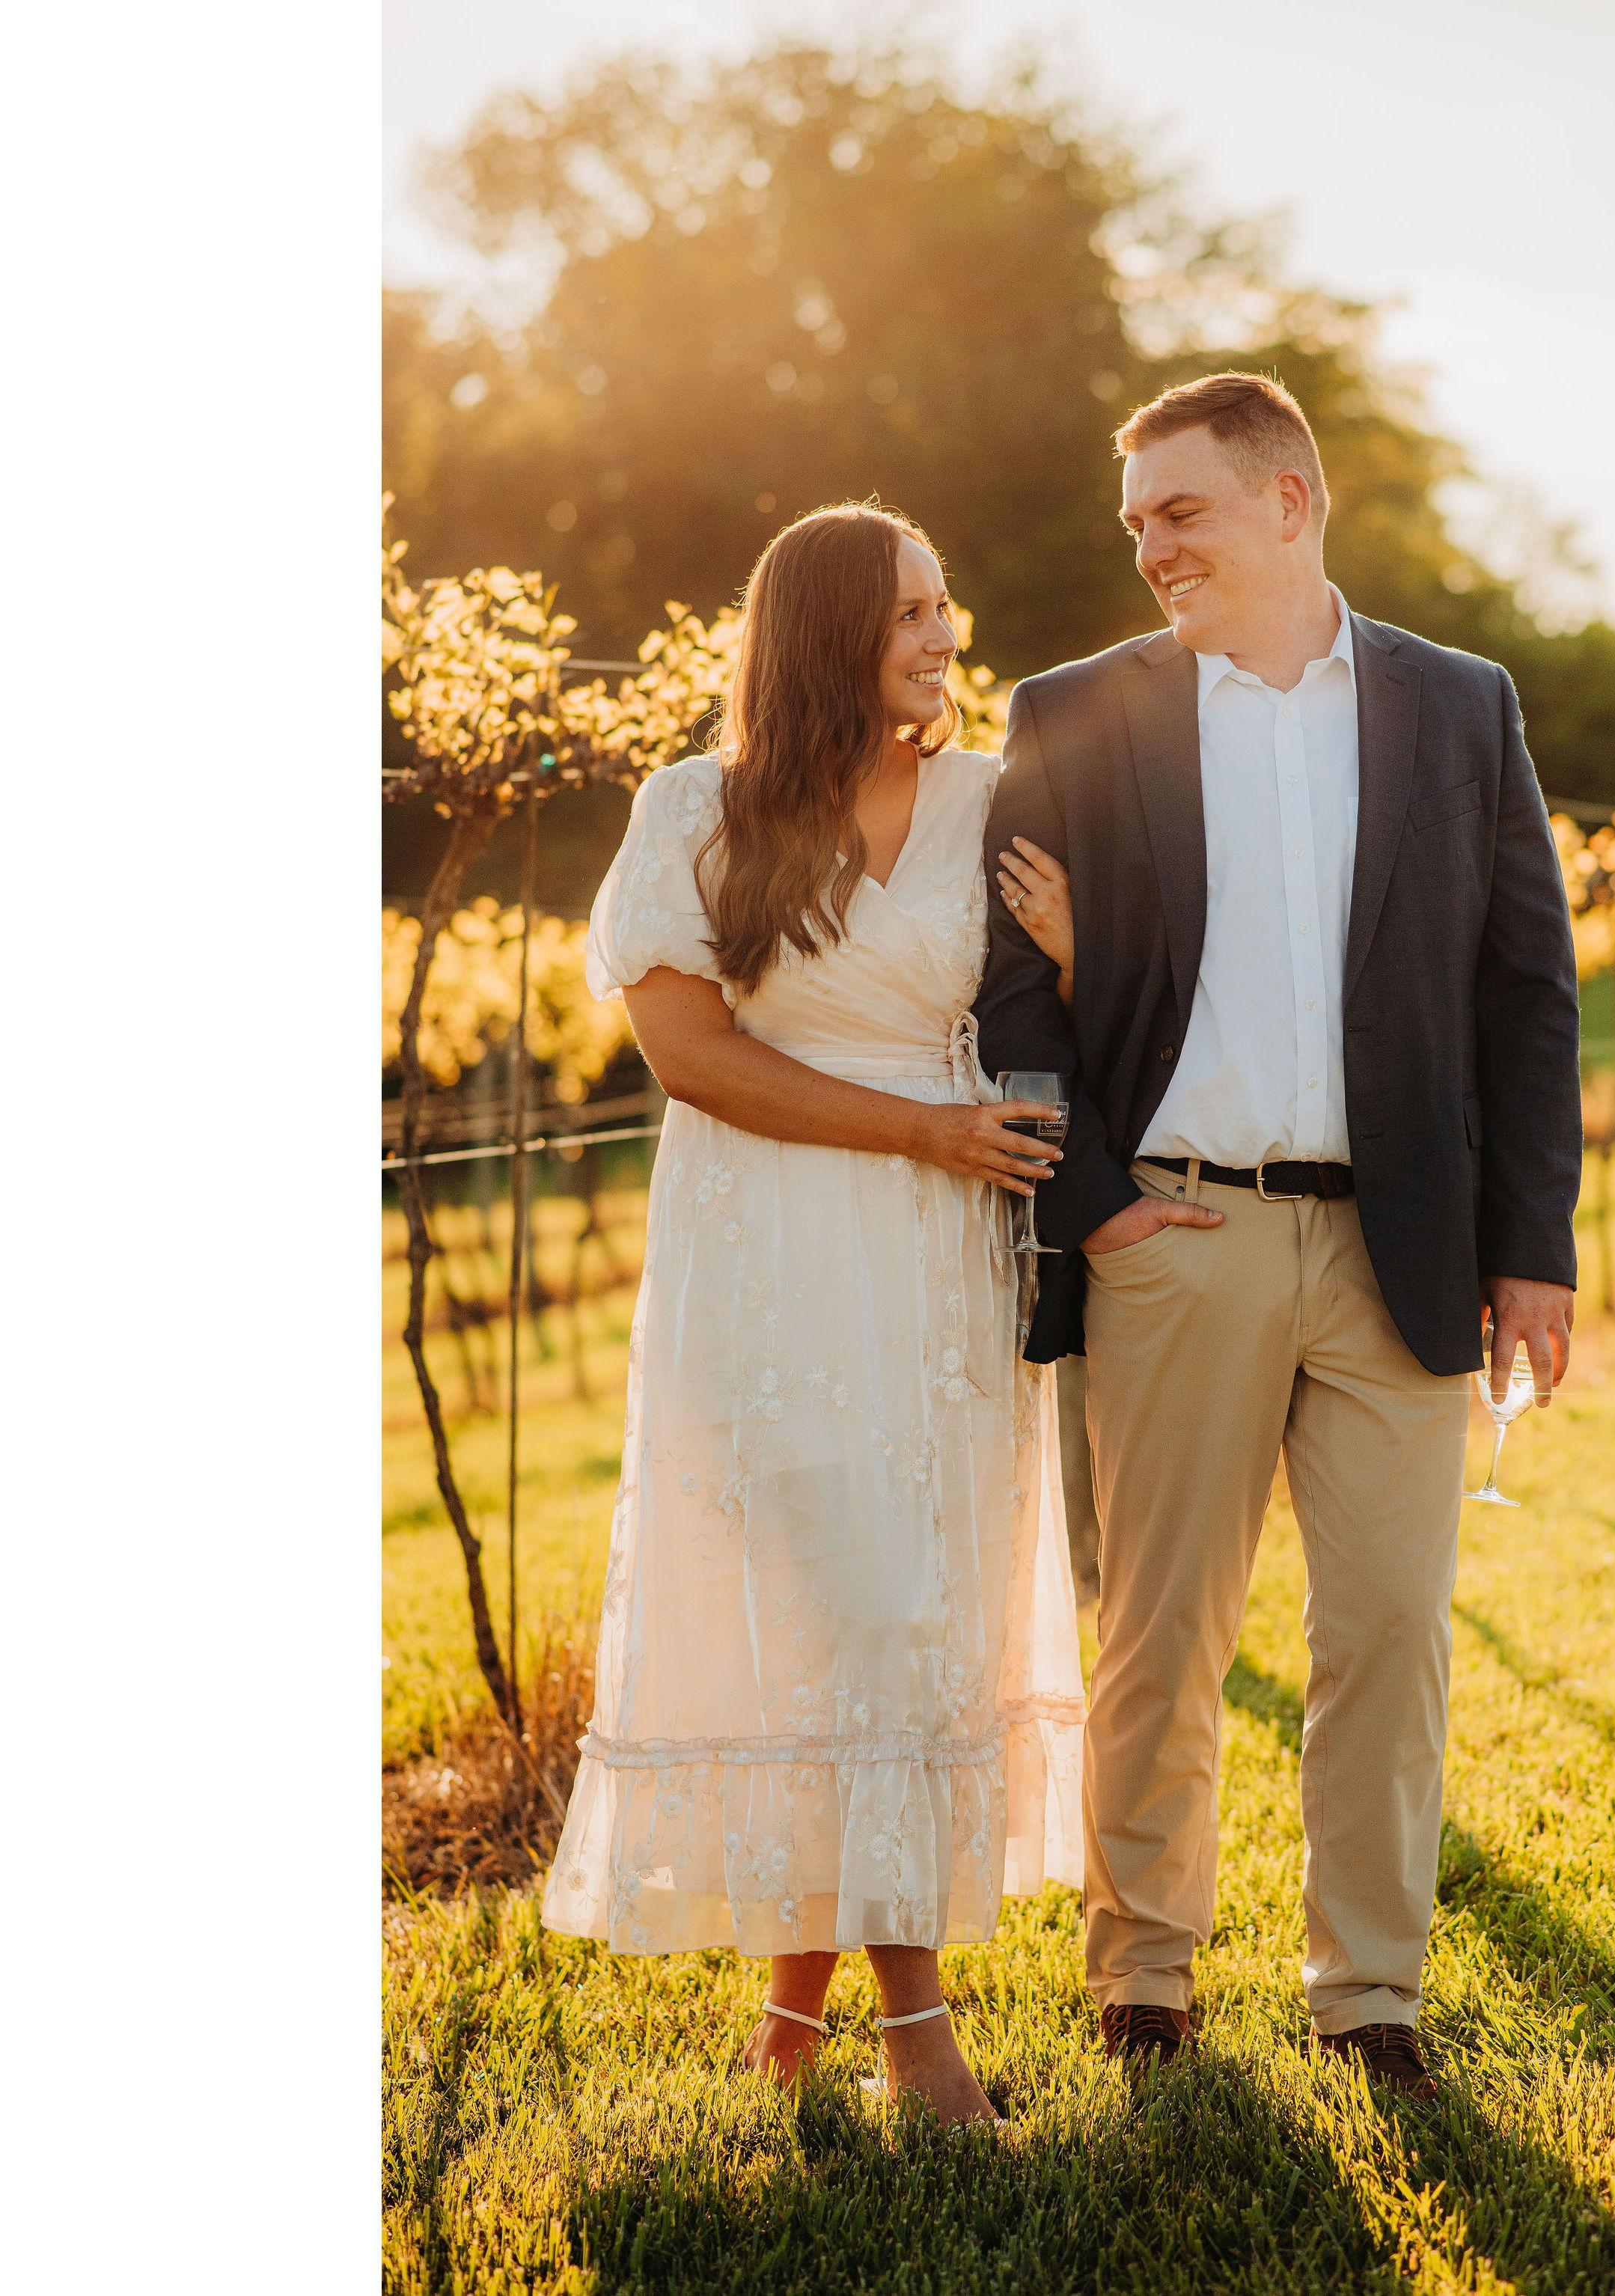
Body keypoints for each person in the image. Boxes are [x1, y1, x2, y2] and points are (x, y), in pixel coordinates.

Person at [975, 373, 1584, 2102]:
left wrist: (1526, 1242)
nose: (1151, 546)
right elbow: (1016, 987)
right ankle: (1145, 1971)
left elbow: (1524, 989)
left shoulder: (1459, 707)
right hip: (1179, 1233)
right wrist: (1092, 1204)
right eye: (1136, 523)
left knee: (1390, 1626)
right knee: (1161, 1631)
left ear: (1290, 498)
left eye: (1182, 510)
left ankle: (1367, 1989)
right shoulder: (1078, 708)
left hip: (1404, 1247)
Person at [543, 502, 1087, 2126]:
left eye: (944, 605)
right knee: (817, 1601)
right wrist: (916, 1126)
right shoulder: (692, 808)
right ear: (829, 628)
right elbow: (689, 1054)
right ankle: (917, 2033)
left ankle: (797, 2018)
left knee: (909, 1611)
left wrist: (1086, 944)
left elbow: (1082, 1011)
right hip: (769, 1249)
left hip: (936, 1259)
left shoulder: (993, 801)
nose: (944, 634)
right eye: (910, 611)